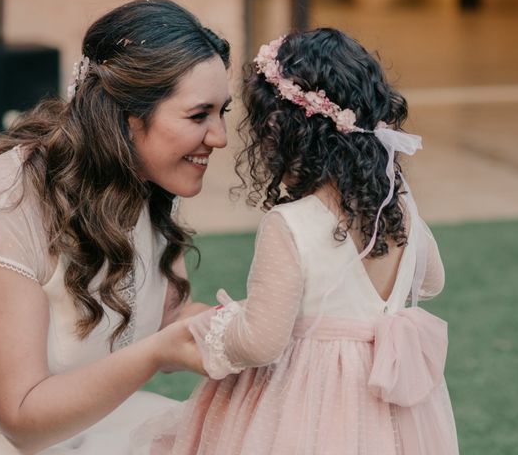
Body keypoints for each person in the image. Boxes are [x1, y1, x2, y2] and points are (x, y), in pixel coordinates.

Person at [0, 0, 232, 454]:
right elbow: (22, 419)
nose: (220, 137)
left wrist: (242, 328)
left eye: (222, 111)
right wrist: (157, 353)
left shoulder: (144, 181)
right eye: (198, 115)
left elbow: (166, 318)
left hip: (84, 424)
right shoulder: (6, 206)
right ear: (127, 119)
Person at [133, 28, 460, 454]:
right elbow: (430, 282)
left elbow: (261, 341)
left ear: (282, 133)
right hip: (387, 410)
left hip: (309, 408)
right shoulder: (398, 207)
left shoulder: (291, 223)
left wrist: (215, 325)